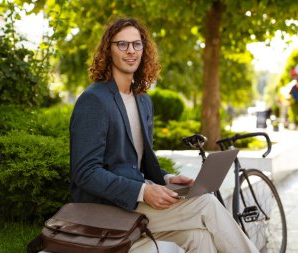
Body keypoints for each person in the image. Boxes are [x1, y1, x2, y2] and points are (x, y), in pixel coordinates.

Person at [69, 17, 258, 253]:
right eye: (122, 44)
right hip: (107, 208)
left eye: (137, 44)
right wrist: (143, 191)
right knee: (206, 204)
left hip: (137, 202)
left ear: (144, 49)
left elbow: (134, 162)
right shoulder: (94, 100)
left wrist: (167, 179)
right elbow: (85, 173)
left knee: (199, 238)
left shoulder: (142, 100)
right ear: (109, 49)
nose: (131, 51)